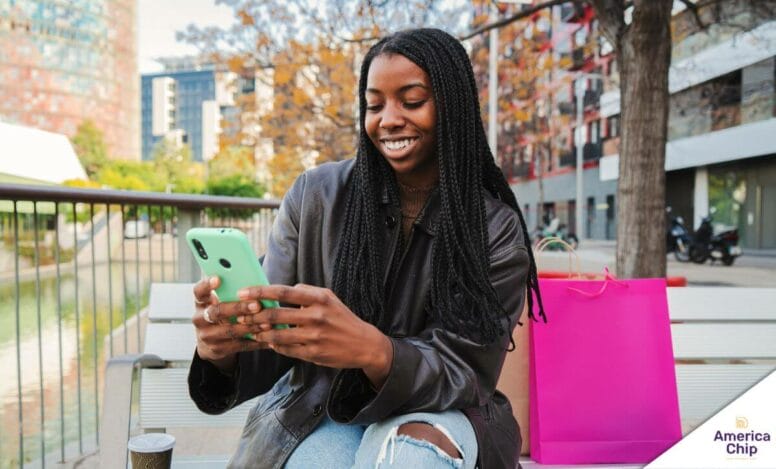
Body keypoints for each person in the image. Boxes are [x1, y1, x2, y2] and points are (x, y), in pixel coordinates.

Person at [189, 28, 545, 469]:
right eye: (374, 106)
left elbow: (466, 371)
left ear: (453, 107)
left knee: (411, 459)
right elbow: (273, 343)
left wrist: (376, 352)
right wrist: (221, 352)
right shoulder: (315, 195)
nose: (388, 119)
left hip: (444, 412)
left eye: (412, 101)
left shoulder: (495, 227)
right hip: (321, 405)